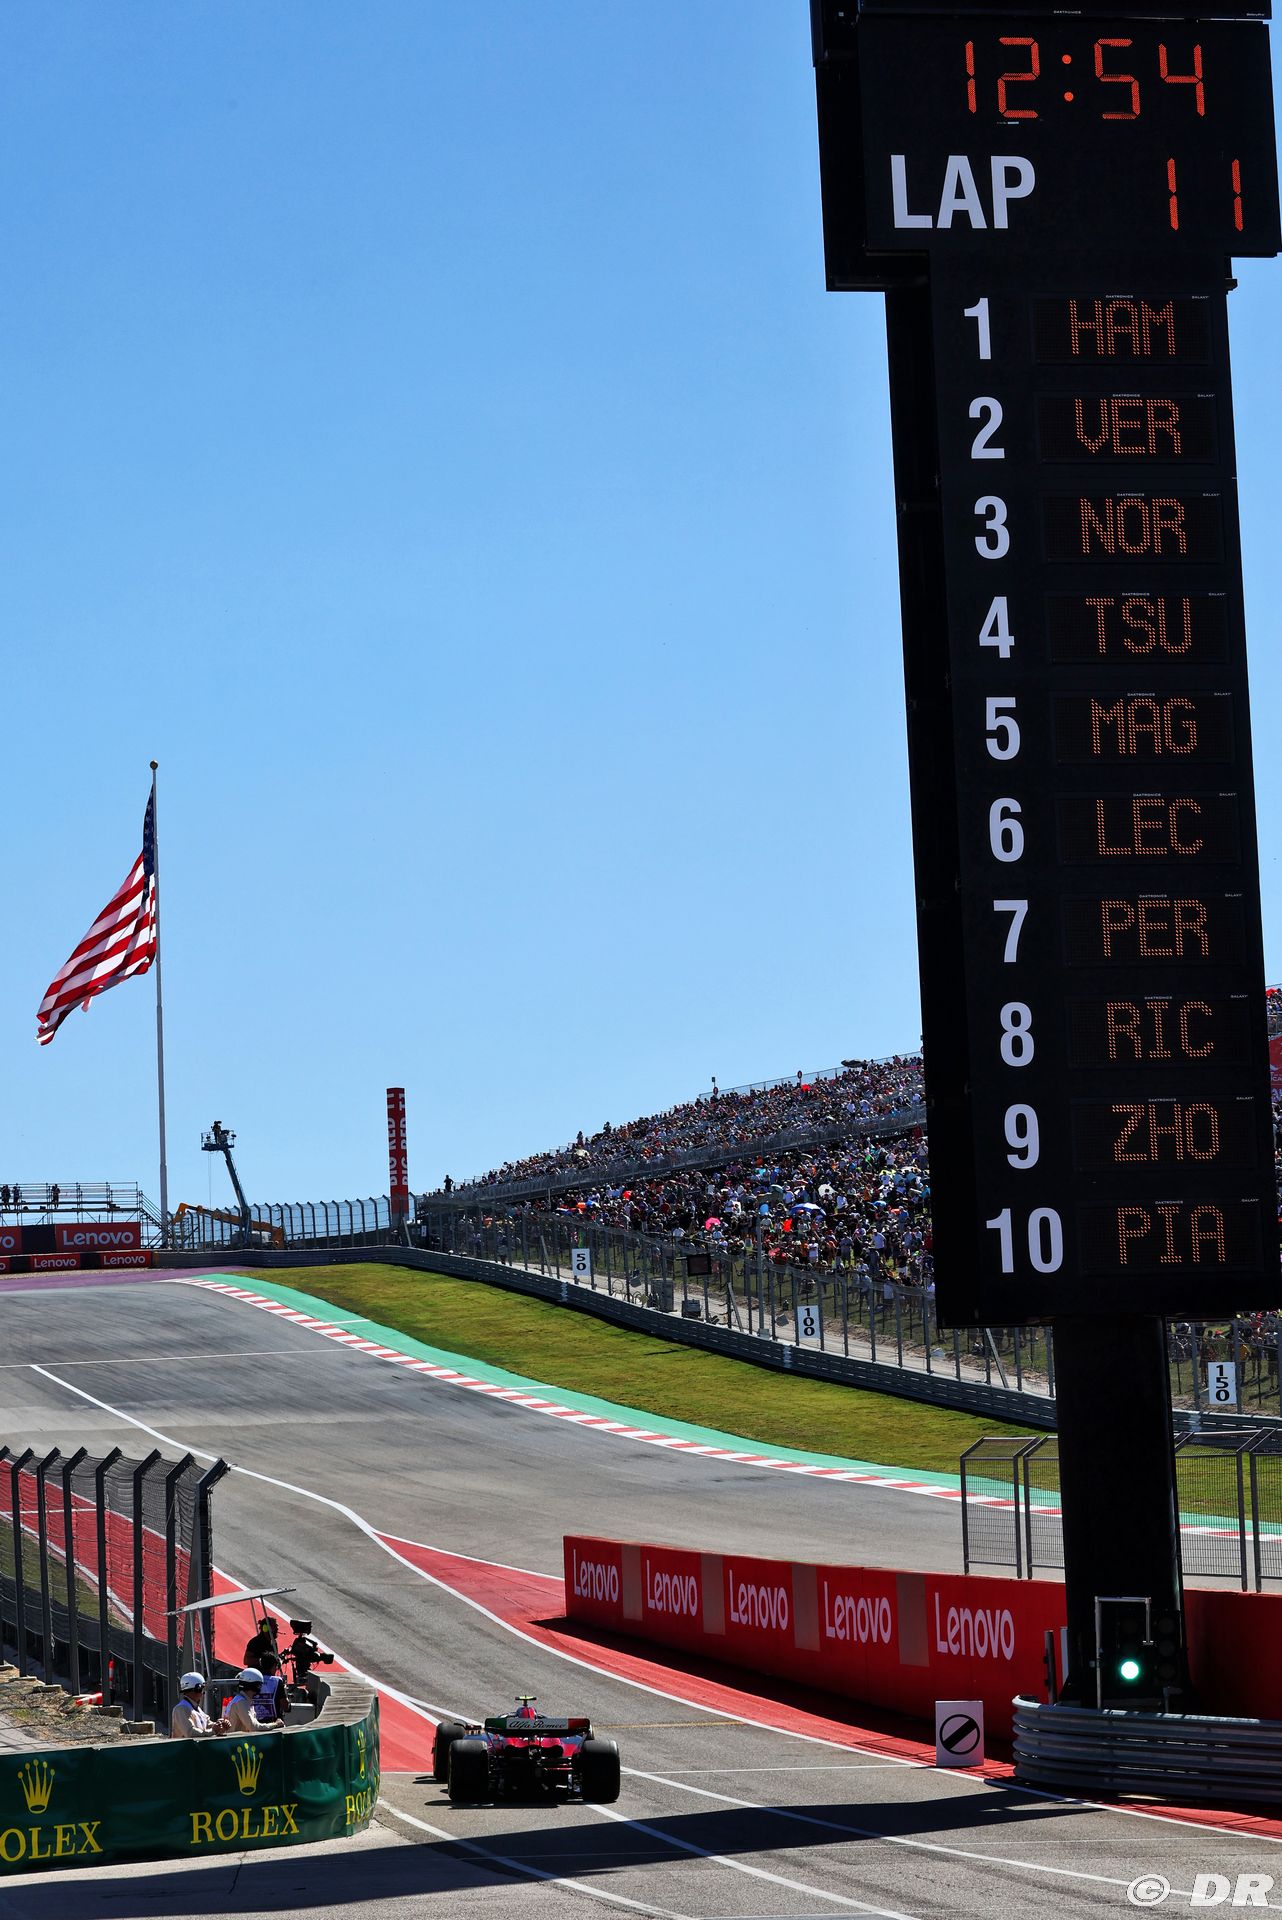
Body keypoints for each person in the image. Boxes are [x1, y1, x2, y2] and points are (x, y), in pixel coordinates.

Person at [170, 1672, 228, 1740]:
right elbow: (190, 1732)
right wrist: (213, 1731)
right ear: (197, 1689)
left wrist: (220, 1725)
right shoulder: (181, 1709)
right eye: (202, 1690)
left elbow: (207, 1724)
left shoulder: (196, 1708)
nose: (203, 1693)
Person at [225, 1668, 284, 1733]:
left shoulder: (242, 1700)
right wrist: (275, 1724)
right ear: (257, 1686)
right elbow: (253, 1727)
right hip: (238, 1739)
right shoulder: (241, 1702)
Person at [253, 1650, 291, 1722]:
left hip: (256, 1722)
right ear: (274, 1666)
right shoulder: (277, 1681)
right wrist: (285, 1693)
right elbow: (285, 1706)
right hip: (274, 1723)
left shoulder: (254, 1680)